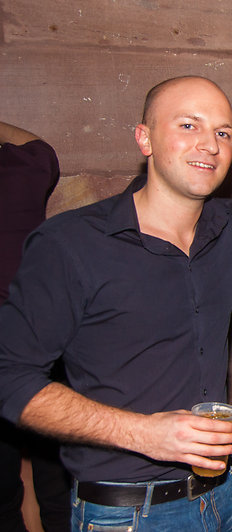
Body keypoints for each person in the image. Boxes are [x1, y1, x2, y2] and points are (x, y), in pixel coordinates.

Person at [0, 76, 232, 531]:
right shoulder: (70, 244)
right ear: (144, 139)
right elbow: (8, 378)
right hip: (128, 514)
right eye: (188, 125)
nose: (210, 145)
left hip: (226, 499)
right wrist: (145, 434)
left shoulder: (231, 225)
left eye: (223, 132)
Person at [0, 122, 70, 531]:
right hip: (42, 333)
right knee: (58, 477)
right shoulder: (21, 170)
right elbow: (37, 144)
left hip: (35, 335)